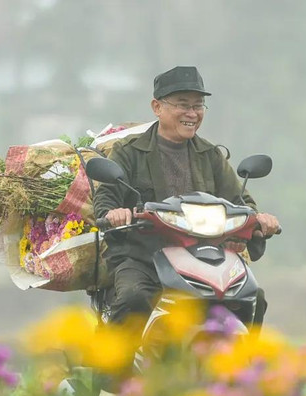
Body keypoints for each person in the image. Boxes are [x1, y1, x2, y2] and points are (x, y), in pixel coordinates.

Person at [93, 65, 280, 331]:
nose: (192, 113)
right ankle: (113, 370)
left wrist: (260, 220)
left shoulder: (211, 155)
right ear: (157, 107)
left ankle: (242, 369)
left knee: (253, 298)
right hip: (145, 257)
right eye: (183, 105)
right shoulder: (129, 152)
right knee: (133, 299)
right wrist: (114, 214)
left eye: (198, 106)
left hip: (205, 258)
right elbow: (106, 198)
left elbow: (242, 204)